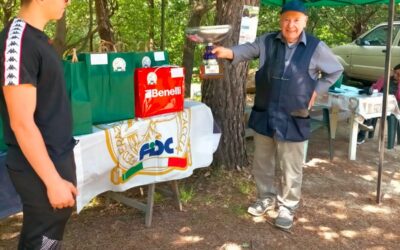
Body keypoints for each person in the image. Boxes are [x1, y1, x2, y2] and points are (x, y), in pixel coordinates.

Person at [212, 0, 343, 230]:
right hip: (266, 113)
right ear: (280, 20)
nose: (290, 25)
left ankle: (287, 207)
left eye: (296, 20)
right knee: (262, 163)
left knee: (291, 166)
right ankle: (265, 197)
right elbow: (247, 49)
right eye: (286, 19)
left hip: (295, 116)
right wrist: (228, 51)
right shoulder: (267, 41)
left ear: (305, 21)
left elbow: (335, 71)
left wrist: (316, 90)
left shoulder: (316, 47)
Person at [0, 0, 77, 248]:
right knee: (42, 239)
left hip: (53, 158)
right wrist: (53, 181)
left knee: (48, 236)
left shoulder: (37, 38)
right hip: (39, 168)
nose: (68, 1)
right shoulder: (18, 42)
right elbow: (21, 123)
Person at [357, 63, 400, 144]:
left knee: (373, 109)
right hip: (378, 103)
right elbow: (376, 88)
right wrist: (385, 77)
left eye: (399, 74)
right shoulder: (386, 78)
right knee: (370, 107)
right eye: (396, 73)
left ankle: (362, 132)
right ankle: (363, 130)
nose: (396, 75)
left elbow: (399, 97)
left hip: (391, 107)